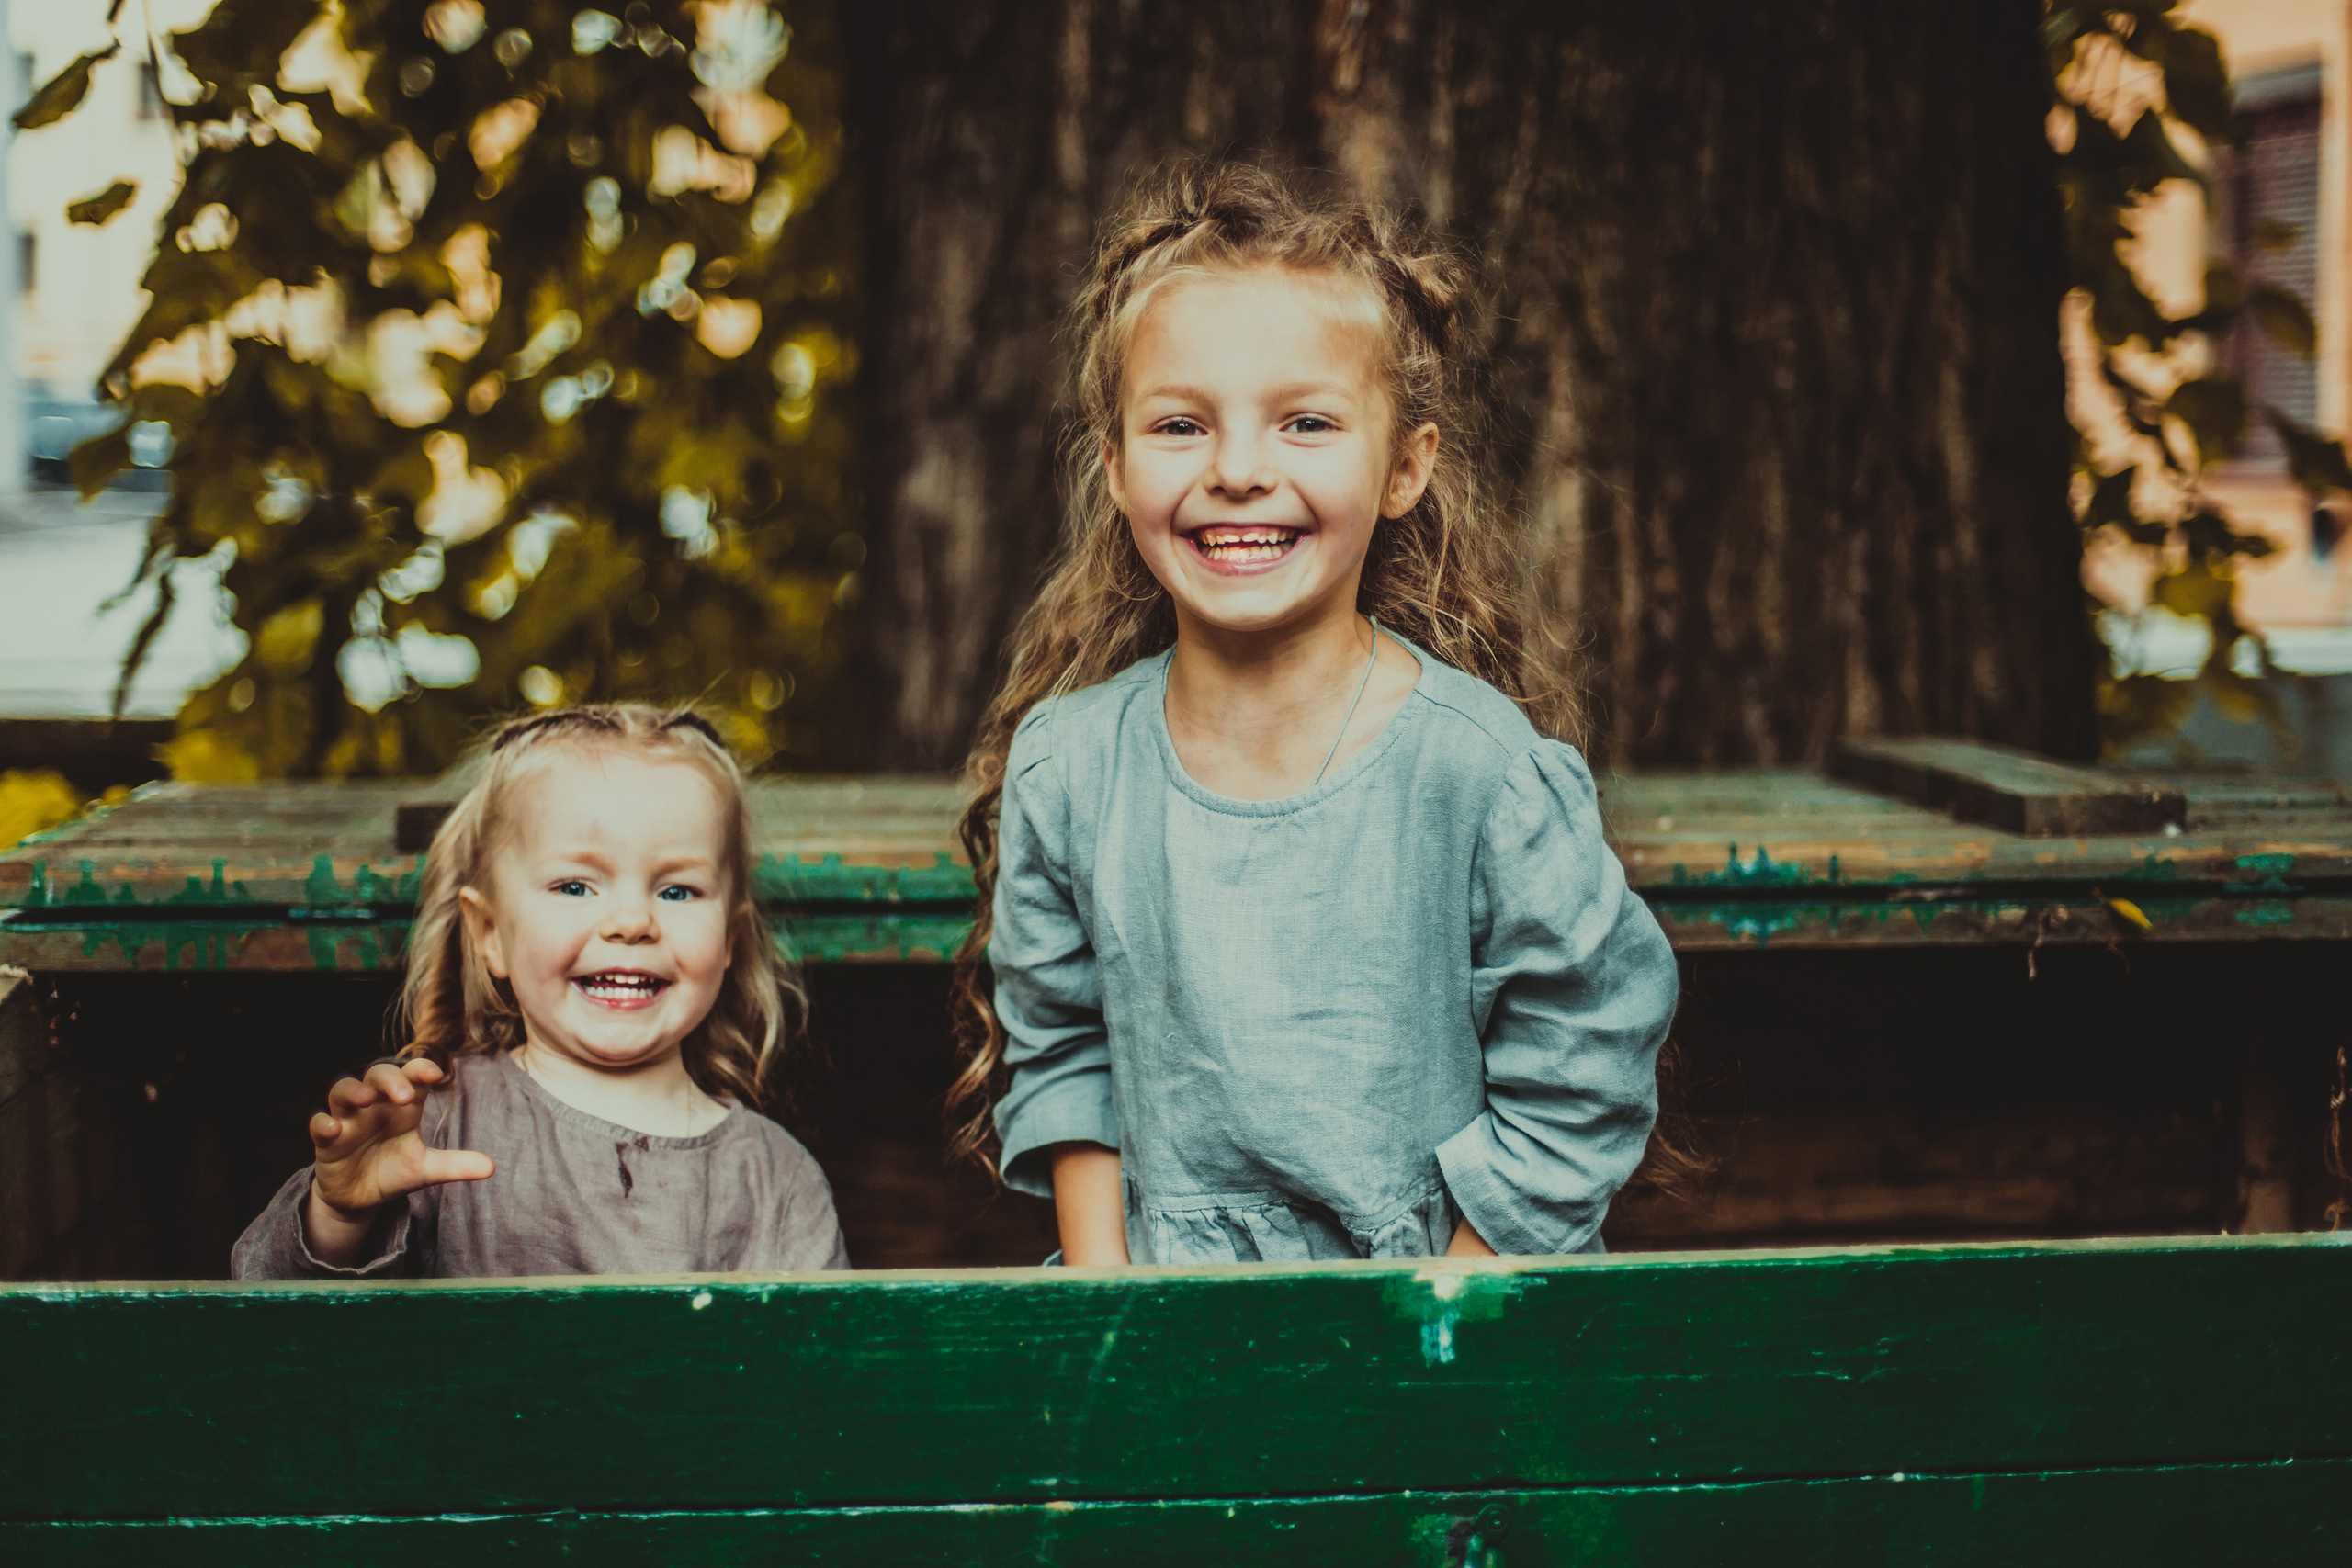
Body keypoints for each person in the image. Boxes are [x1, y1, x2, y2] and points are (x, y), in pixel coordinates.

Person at [949, 163, 1679, 1267]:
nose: (1239, 471)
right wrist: (1113, 1316)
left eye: (1305, 423)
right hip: (1165, 1346)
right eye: (1180, 427)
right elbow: (1064, 1054)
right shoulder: (1070, 768)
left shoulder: (1482, 775)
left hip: (1442, 1337)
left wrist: (1448, 1318)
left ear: (1404, 468)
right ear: (1113, 469)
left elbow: (1586, 1053)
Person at [233, 705, 848, 1278]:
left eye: (678, 890)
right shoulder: (434, 1126)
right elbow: (259, 1309)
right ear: (490, 932)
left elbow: (833, 1375)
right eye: (576, 886)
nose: (631, 921)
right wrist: (340, 1216)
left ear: (731, 937)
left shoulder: (777, 1180)